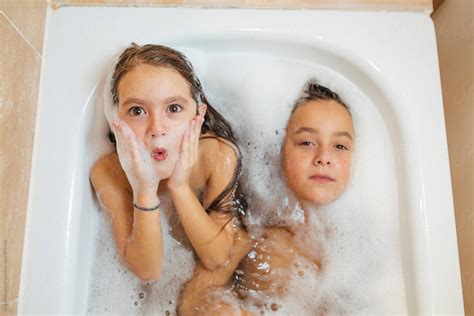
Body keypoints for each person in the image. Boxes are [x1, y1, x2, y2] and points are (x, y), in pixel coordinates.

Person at [177, 80, 355, 315]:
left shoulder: (356, 243)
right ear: (278, 150)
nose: (324, 157)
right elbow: (192, 302)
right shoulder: (249, 227)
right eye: (307, 142)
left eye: (340, 146)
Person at [90, 43, 252, 287]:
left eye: (173, 108)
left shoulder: (217, 154)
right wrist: (144, 189)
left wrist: (180, 186)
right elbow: (148, 271)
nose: (157, 129)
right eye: (137, 111)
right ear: (116, 121)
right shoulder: (109, 173)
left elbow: (217, 258)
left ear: (197, 116)